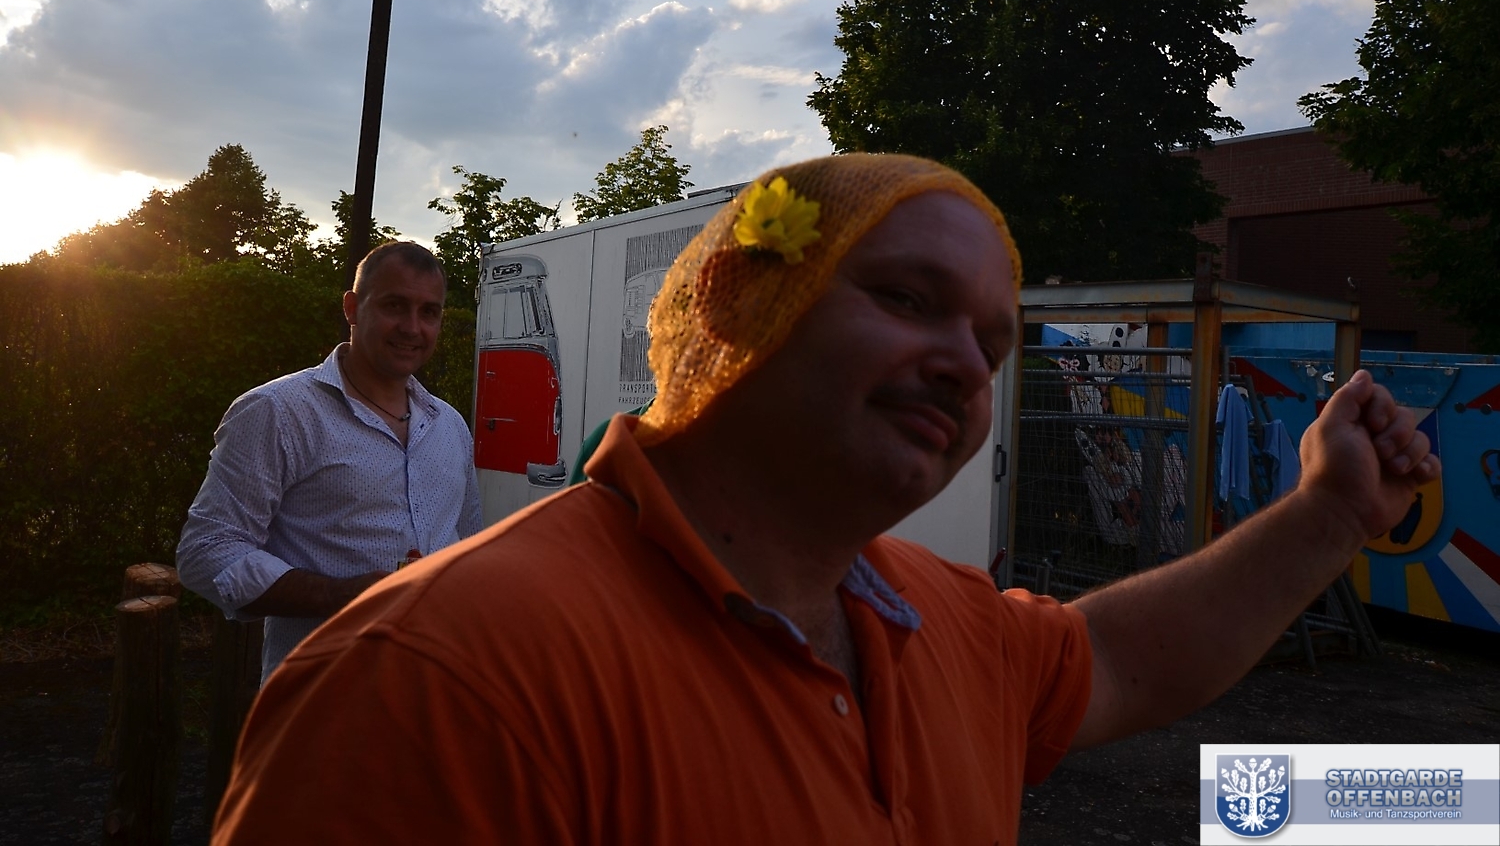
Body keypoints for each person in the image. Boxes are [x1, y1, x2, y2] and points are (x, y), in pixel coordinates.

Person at [212, 155, 1438, 844]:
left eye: (992, 343)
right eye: (907, 299)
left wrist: (1331, 513)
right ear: (735, 305)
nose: (964, 365)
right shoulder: (433, 685)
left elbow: (1117, 661)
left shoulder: (942, 621)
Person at [177, 240, 483, 683]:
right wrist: (342, 595)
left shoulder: (449, 425)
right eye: (394, 306)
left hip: (436, 689)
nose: (412, 327)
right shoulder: (278, 411)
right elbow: (207, 551)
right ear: (352, 308)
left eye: (429, 312)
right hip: (322, 697)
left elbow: (469, 546)